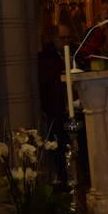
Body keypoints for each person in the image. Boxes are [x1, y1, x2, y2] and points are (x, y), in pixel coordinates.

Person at [37, 24, 76, 183]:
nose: (66, 41)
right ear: (53, 38)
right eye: (62, 38)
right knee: (60, 145)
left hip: (72, 106)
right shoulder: (46, 57)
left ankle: (77, 175)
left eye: (68, 37)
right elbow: (48, 83)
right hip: (56, 109)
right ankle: (63, 178)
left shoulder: (74, 53)